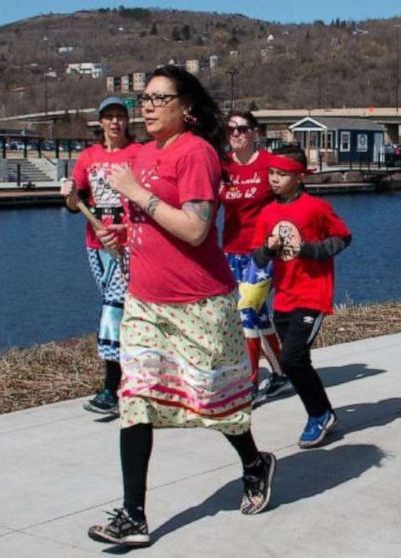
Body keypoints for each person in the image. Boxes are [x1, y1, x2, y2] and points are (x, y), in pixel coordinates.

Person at [88, 66, 274, 548]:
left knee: (216, 402)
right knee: (136, 403)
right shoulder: (143, 155)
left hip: (200, 302)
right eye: (143, 99)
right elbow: (152, 226)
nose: (146, 107)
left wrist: (136, 194)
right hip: (145, 303)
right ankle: (133, 515)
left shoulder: (197, 154)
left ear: (186, 107)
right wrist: (122, 235)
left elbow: (194, 229)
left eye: (158, 98)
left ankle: (254, 462)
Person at [251, 145, 352, 448]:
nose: (274, 179)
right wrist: (268, 249)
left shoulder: (315, 207)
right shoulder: (267, 212)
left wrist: (311, 249)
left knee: (290, 359)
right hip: (283, 296)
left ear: (298, 176)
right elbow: (257, 257)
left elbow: (344, 236)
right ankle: (324, 411)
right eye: (271, 173)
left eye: (281, 174)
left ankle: (318, 414)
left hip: (313, 294)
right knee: (299, 361)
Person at [60, 96, 141, 416]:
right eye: (109, 117)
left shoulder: (138, 153)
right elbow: (74, 203)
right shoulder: (88, 157)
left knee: (113, 308)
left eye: (121, 116)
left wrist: (124, 228)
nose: (115, 122)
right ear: (101, 123)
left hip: (130, 243)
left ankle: (111, 388)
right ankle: (130, 381)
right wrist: (69, 194)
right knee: (122, 311)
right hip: (96, 244)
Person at [221, 110, 288, 398]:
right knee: (258, 316)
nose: (236, 134)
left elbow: (291, 196)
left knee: (247, 311)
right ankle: (281, 372)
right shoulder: (223, 167)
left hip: (261, 253)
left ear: (255, 133)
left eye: (243, 129)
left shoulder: (269, 164)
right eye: (231, 130)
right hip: (230, 250)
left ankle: (249, 383)